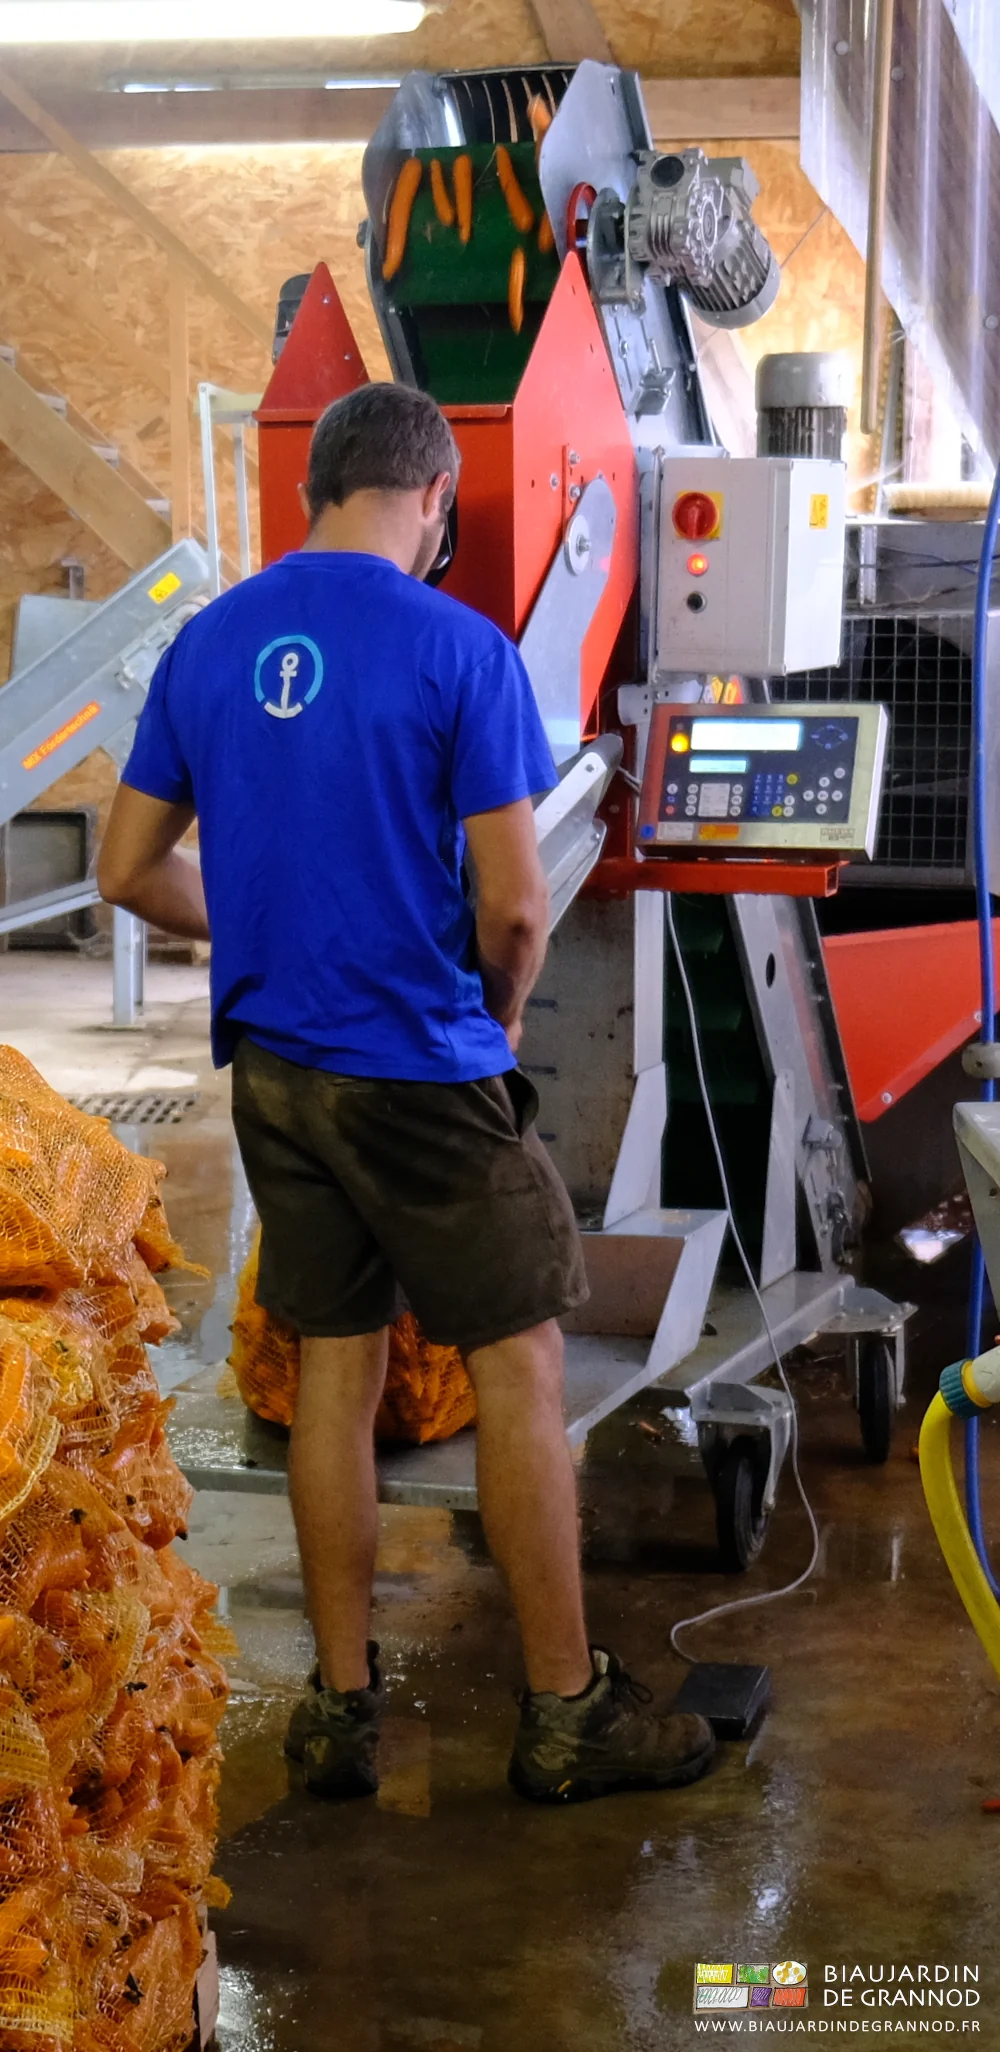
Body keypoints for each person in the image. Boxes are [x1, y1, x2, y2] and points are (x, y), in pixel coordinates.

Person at [98, 381, 714, 1805]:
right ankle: (565, 1708)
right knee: (522, 1364)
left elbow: (127, 869)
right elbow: (515, 907)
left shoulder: (210, 642)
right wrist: (499, 1015)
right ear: (436, 499)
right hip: (420, 1069)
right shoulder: (459, 648)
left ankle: (339, 1709)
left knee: (335, 1365)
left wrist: (267, 935)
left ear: (313, 488)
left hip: (277, 1074)